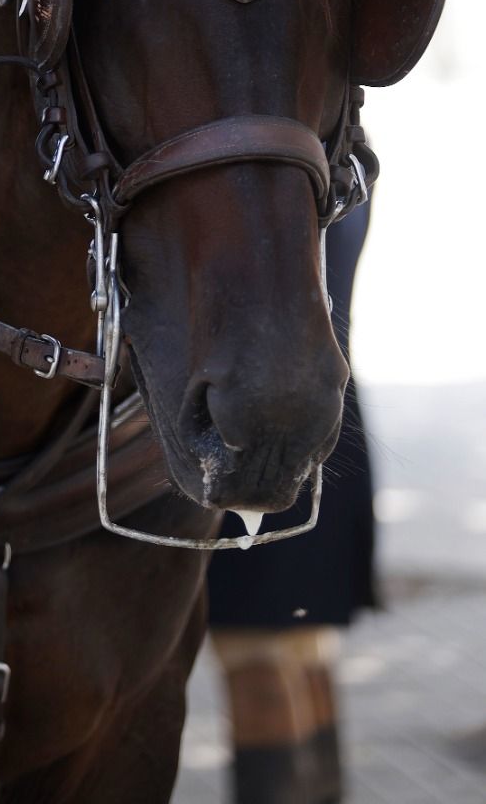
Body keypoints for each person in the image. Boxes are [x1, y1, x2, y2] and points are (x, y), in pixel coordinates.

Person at [206, 203, 374, 804]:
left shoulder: (273, 147)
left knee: (258, 659)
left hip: (261, 434)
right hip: (324, 426)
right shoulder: (341, 158)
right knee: (302, 653)